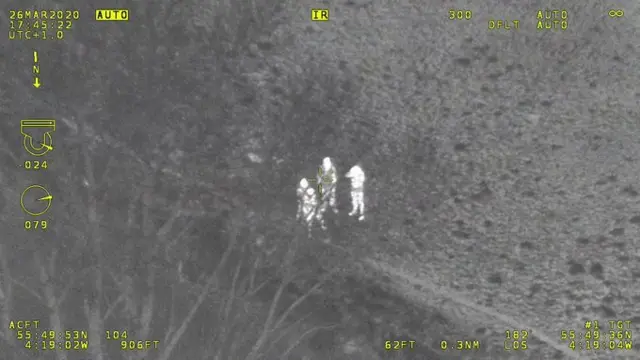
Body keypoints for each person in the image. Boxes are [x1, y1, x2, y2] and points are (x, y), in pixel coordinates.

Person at [316, 157, 338, 230]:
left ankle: (334, 207)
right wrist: (321, 189)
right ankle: (322, 215)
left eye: (328, 163)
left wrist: (332, 187)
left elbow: (335, 179)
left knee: (332, 199)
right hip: (324, 187)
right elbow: (318, 180)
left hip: (331, 187)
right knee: (324, 201)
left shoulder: (332, 168)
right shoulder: (321, 169)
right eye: (325, 163)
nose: (326, 164)